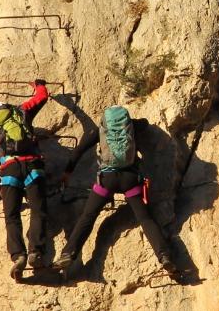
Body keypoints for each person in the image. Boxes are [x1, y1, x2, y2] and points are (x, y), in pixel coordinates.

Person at [54, 105, 177, 279]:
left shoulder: (100, 131)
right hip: (130, 180)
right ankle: (164, 255)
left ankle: (68, 254)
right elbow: (145, 123)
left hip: (107, 180)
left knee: (88, 216)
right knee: (145, 218)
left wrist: (67, 173)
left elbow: (79, 150)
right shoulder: (132, 126)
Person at [0, 80, 50, 280]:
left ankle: (18, 256)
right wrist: (39, 85)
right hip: (33, 167)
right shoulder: (21, 112)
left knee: (12, 216)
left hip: (9, 171)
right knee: (39, 210)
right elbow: (41, 97)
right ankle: (36, 252)